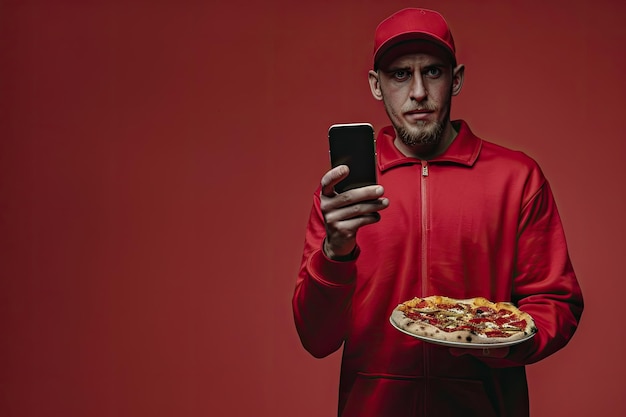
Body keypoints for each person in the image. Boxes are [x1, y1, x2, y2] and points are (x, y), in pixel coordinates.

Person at [292, 7, 583, 417]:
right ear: (376, 86)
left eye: (432, 72)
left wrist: (493, 339)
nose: (417, 93)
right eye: (399, 74)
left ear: (456, 79)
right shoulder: (344, 196)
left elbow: (556, 302)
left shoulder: (516, 178)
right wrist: (335, 252)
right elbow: (316, 338)